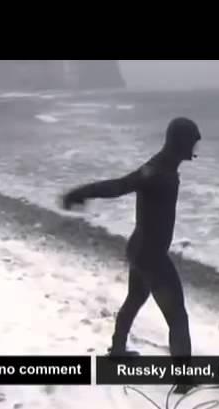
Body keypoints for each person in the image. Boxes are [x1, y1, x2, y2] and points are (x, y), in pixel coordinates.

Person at [60, 117, 201, 375]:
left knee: (135, 298)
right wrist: (80, 192)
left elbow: (123, 185)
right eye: (193, 141)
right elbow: (119, 186)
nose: (195, 147)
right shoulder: (157, 171)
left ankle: (117, 351)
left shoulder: (164, 166)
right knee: (178, 317)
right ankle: (184, 379)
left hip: (140, 249)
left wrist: (81, 192)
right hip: (151, 256)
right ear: (181, 142)